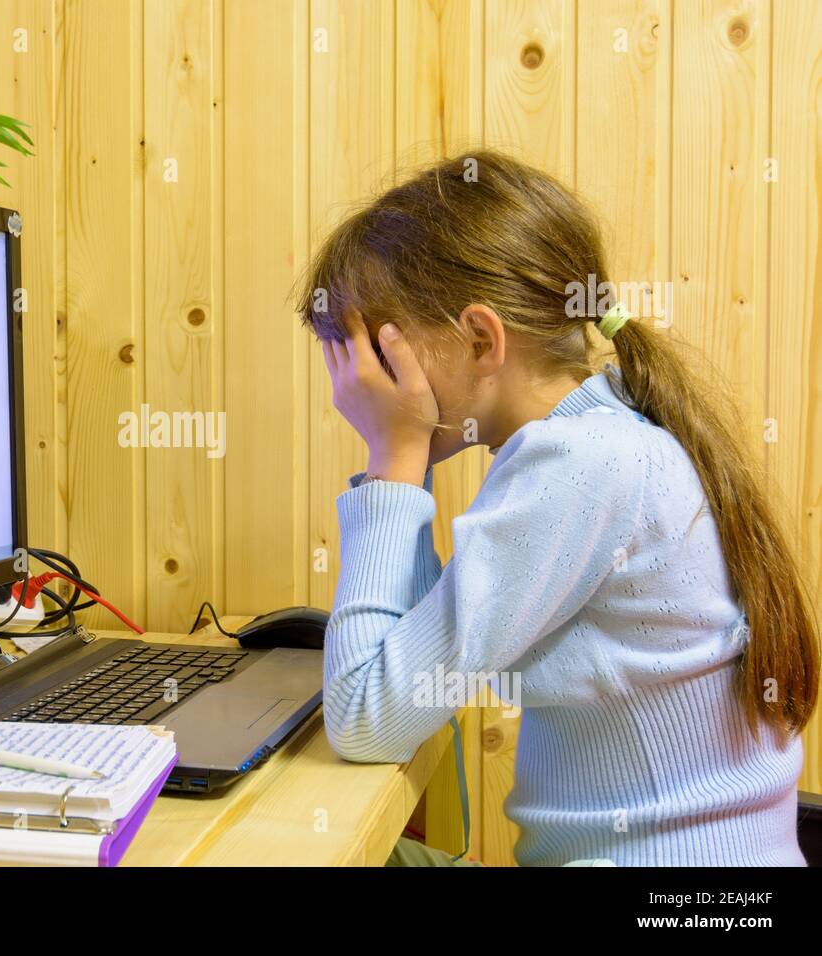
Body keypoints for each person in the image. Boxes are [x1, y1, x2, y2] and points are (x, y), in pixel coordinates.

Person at [299, 151, 818, 866]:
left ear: (481, 340)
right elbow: (403, 680)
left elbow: (364, 718)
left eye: (376, 353)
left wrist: (391, 458)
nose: (358, 385)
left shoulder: (578, 469)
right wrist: (404, 465)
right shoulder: (608, 435)